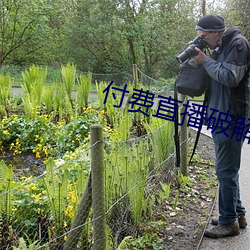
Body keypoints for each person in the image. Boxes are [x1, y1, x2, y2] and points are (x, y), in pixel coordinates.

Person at [192, 15, 250, 238]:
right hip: (221, 116)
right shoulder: (221, 46)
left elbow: (229, 77)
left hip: (232, 117)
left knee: (225, 170)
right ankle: (237, 214)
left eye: (204, 37)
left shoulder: (238, 44)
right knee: (227, 169)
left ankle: (228, 223)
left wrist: (205, 61)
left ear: (216, 32)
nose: (203, 41)